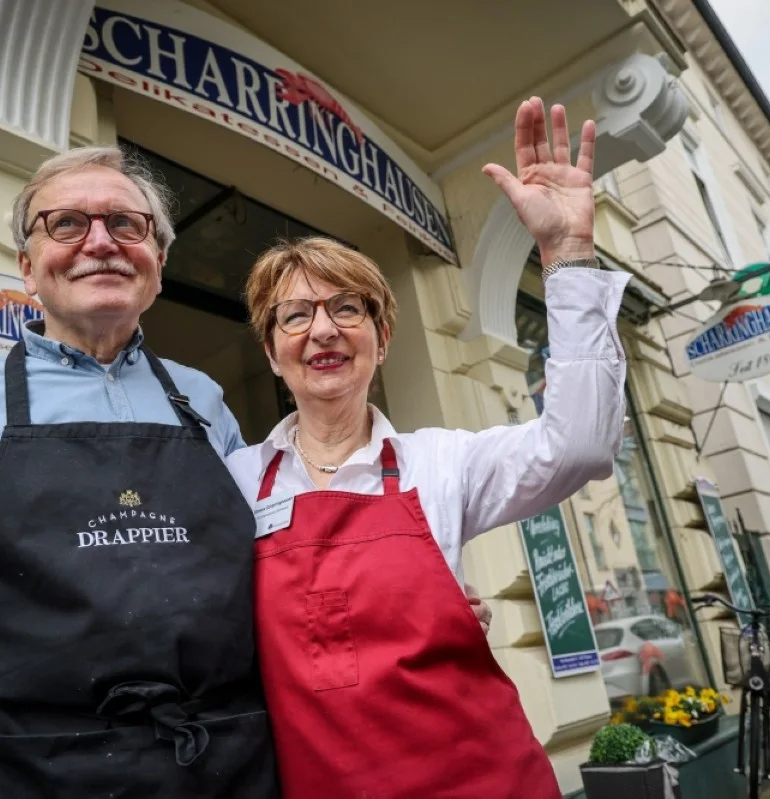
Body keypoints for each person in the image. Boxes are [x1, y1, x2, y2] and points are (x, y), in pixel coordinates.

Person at [0, 147, 282, 797]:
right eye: (67, 223)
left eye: (127, 223)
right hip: (18, 771)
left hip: (221, 769)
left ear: (158, 264)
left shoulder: (205, 400)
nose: (101, 241)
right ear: (28, 268)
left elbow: (272, 572)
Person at [228, 98, 631, 798]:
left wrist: (566, 253)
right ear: (272, 352)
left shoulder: (441, 461)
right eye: (296, 315)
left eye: (347, 309)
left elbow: (584, 445)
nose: (322, 330)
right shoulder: (233, 483)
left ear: (381, 340)